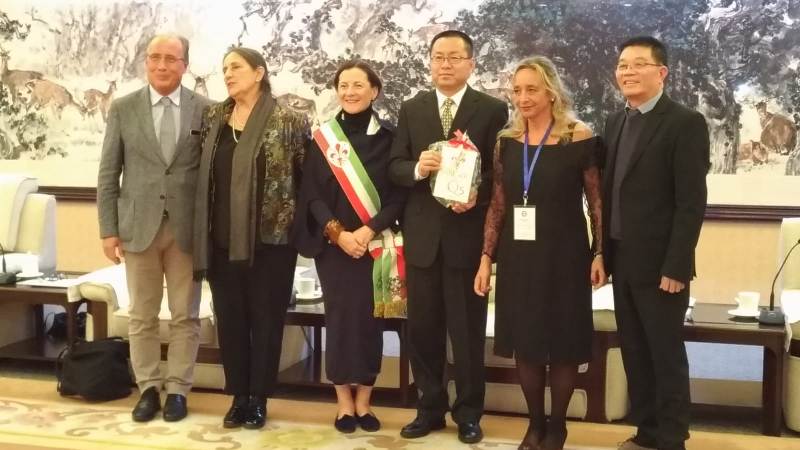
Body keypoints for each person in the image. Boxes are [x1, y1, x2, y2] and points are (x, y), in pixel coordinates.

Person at [473, 56, 606, 450]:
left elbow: (597, 203)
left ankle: (558, 426)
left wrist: (600, 253)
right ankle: (534, 425)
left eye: (531, 89)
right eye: (517, 90)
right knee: (527, 342)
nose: (523, 97)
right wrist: (486, 257)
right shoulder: (507, 141)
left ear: (551, 92)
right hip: (519, 257)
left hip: (566, 255)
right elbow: (498, 204)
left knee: (563, 343)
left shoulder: (579, 137)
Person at [388, 30, 508, 444]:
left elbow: (500, 172)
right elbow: (395, 166)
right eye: (438, 56)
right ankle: (429, 409)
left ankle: (469, 413)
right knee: (422, 332)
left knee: (467, 333)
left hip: (466, 237)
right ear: (430, 62)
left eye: (454, 57)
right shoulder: (412, 108)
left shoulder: (491, 109)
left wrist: (475, 193)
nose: (445, 64)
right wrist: (417, 168)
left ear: (471, 63)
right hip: (422, 238)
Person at [192, 47, 309, 430]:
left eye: (236, 67)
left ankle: (259, 398)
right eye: (225, 68)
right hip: (221, 240)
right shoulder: (214, 117)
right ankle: (238, 396)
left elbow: (305, 179)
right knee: (230, 321)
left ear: (259, 73)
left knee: (266, 321)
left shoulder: (289, 120)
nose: (228, 74)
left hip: (272, 243)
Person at [97, 34, 211, 423]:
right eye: (155, 58)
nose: (162, 65)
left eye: (171, 59)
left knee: (185, 315)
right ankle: (147, 388)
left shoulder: (205, 109)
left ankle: (178, 390)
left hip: (187, 230)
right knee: (142, 315)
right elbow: (108, 173)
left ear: (185, 65)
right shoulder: (123, 108)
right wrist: (108, 229)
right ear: (146, 62)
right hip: (137, 227)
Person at [602, 36, 709, 450]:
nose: (627, 71)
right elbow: (609, 193)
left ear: (661, 72)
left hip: (662, 265)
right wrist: (601, 253)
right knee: (634, 351)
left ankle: (671, 438)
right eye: (622, 65)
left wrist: (677, 265)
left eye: (638, 64)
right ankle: (647, 432)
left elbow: (690, 203)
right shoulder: (616, 121)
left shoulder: (684, 122)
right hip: (622, 258)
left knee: (664, 354)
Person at [291, 60, 406, 434]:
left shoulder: (391, 139)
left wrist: (367, 231)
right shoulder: (323, 138)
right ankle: (343, 403)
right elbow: (311, 194)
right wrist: (338, 234)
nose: (350, 92)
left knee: (372, 322)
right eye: (343, 85)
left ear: (375, 91)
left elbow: (398, 197)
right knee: (339, 320)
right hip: (334, 247)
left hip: (376, 245)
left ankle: (365, 402)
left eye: (358, 85)